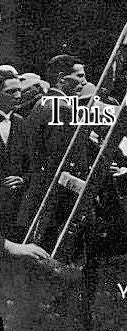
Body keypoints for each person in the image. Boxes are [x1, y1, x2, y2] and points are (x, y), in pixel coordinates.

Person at [15, 54, 89, 250]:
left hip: (35, 196)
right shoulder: (62, 109)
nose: (85, 81)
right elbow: (62, 162)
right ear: (61, 78)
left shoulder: (40, 104)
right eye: (80, 76)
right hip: (53, 202)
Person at [0, 71, 29, 240]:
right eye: (11, 92)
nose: (18, 96)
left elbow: (31, 164)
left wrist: (22, 179)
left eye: (19, 90)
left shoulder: (21, 123)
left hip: (16, 210)